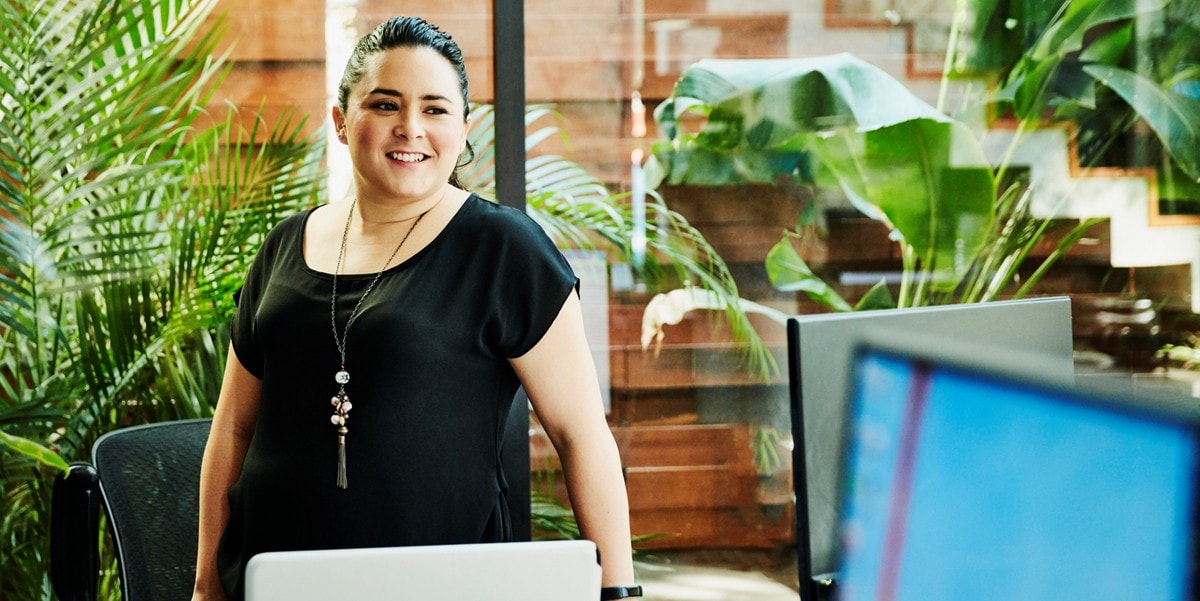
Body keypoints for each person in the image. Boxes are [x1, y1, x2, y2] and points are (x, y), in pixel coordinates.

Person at [191, 15, 639, 601]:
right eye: (384, 105)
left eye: (435, 109)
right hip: (271, 577)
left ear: (462, 126)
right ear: (341, 122)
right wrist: (205, 583)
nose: (410, 128)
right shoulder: (283, 245)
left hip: (441, 582)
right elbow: (233, 427)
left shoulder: (503, 249)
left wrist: (619, 590)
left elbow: (580, 434)